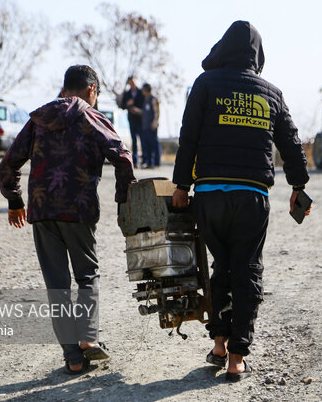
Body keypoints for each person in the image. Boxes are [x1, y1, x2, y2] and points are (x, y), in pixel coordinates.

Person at [171, 21, 310, 382]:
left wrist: (181, 186)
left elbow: (189, 137)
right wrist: (298, 185)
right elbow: (292, 145)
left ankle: (219, 342)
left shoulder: (205, 84)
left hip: (210, 196)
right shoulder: (272, 93)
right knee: (246, 268)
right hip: (252, 198)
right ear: (257, 54)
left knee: (219, 266)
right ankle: (236, 357)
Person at [0, 65, 135, 374]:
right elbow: (122, 157)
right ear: (91, 90)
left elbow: (10, 162)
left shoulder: (39, 119)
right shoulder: (92, 116)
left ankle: (72, 359)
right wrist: (124, 200)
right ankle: (88, 337)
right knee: (87, 275)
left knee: (57, 285)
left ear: (64, 89)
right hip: (79, 210)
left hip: (43, 211)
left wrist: (15, 200)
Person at [118, 76, 145, 167]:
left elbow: (145, 104)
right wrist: (127, 104)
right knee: (134, 140)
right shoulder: (127, 93)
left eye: (133, 82)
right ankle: (135, 161)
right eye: (130, 82)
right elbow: (122, 106)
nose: (132, 84)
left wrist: (138, 109)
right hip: (132, 119)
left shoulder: (141, 92)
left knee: (142, 139)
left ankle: (145, 160)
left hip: (141, 119)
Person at [140, 83, 161, 168]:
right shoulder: (145, 100)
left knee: (154, 144)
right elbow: (145, 112)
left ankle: (156, 162)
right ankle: (148, 162)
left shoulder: (153, 99)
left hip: (151, 126)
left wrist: (154, 123)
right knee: (147, 145)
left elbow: (157, 112)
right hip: (145, 126)